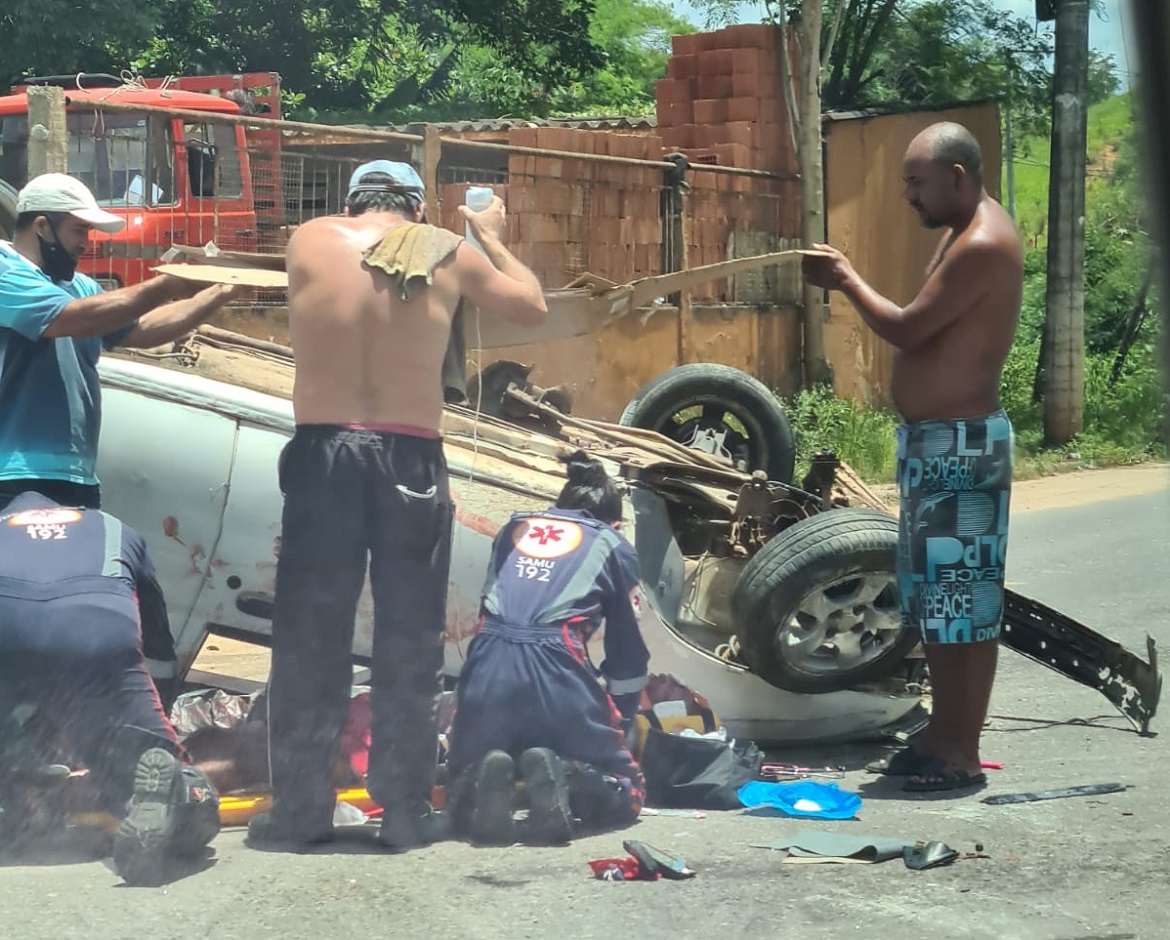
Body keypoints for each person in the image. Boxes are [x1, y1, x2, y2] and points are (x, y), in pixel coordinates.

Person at [248, 160, 548, 852]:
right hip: (409, 455)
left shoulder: (307, 239)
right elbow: (531, 304)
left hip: (324, 454)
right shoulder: (447, 248)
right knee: (408, 637)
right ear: (414, 205)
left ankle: (300, 810)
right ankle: (406, 811)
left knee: (309, 637)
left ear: (353, 202)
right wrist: (491, 234)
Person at [802, 121, 1022, 793]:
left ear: (956, 177)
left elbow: (908, 326)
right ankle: (942, 735)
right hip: (938, 447)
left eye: (915, 182)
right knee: (938, 606)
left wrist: (844, 278)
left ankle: (961, 748)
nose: (907, 195)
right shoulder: (963, 233)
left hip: (962, 448)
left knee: (965, 608)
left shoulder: (981, 242)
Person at [0, 491, 220, 885]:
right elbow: (156, 641)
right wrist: (153, 718)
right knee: (156, 771)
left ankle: (17, 775)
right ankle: (164, 801)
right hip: (97, 637)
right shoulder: (115, 528)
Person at [0, 173, 240, 511]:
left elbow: (139, 330)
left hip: (77, 475)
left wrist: (220, 291)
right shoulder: (5, 272)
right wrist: (166, 286)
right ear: (42, 226)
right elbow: (71, 319)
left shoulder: (80, 287)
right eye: (79, 230)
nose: (86, 242)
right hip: (13, 475)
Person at [445, 450, 650, 846]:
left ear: (559, 506)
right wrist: (619, 725)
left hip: (487, 666)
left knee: (468, 763)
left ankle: (481, 776)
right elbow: (628, 654)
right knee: (630, 787)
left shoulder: (513, 529)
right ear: (615, 522)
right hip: (558, 667)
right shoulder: (612, 545)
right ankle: (570, 776)